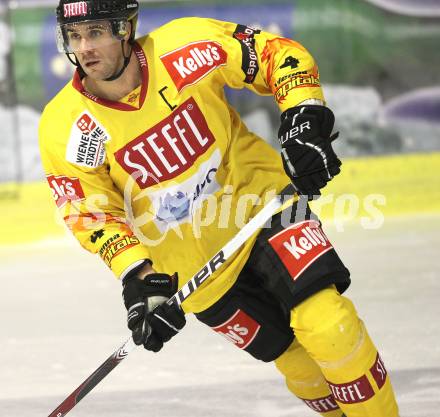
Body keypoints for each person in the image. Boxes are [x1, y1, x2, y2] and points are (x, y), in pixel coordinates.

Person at [39, 1, 400, 415]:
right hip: (196, 268)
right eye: (75, 36)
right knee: (299, 366)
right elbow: (91, 214)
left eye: (97, 32)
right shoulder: (65, 126)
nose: (85, 47)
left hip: (260, 206)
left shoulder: (183, 47)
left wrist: (303, 114)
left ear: (126, 29)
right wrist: (141, 278)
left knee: (330, 327)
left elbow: (274, 54)